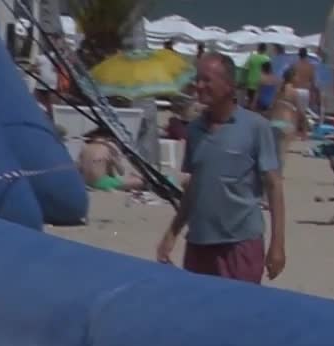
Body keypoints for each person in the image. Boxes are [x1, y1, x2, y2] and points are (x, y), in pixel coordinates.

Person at [155, 52, 285, 284]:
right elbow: (194, 187)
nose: (199, 86)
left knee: (240, 314)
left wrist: (277, 244)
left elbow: (274, 186)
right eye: (198, 79)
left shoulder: (256, 127)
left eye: (207, 80)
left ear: (228, 85)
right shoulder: (194, 130)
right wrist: (172, 232)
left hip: (240, 243)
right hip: (199, 243)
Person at [77, 127, 145, 191]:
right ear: (109, 137)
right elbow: (121, 172)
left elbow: (79, 168)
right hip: (101, 183)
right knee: (140, 182)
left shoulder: (85, 148)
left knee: (110, 174)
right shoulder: (109, 146)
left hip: (86, 182)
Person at [268, 69, 304, 171]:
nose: (298, 79)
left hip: (275, 122)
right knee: (283, 151)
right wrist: (300, 128)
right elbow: (299, 112)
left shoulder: (279, 90)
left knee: (275, 151)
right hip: (287, 123)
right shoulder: (294, 92)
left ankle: (272, 172)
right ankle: (278, 174)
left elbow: (272, 107)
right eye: (296, 76)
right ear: (292, 78)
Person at [291, 47, 317, 124]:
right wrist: (313, 96)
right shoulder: (311, 66)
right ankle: (303, 129)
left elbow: (290, 78)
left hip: (296, 89)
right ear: (306, 55)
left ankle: (295, 128)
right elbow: (313, 82)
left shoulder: (294, 65)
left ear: (299, 55)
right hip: (306, 91)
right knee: (303, 112)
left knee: (294, 111)